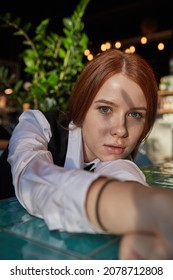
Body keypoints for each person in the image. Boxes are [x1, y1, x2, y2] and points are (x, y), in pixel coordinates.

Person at [6, 49, 173, 260]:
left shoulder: (116, 159)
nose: (120, 130)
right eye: (105, 109)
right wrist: (145, 209)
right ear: (82, 106)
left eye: (135, 114)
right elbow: (31, 179)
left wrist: (143, 217)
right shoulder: (37, 124)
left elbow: (125, 176)